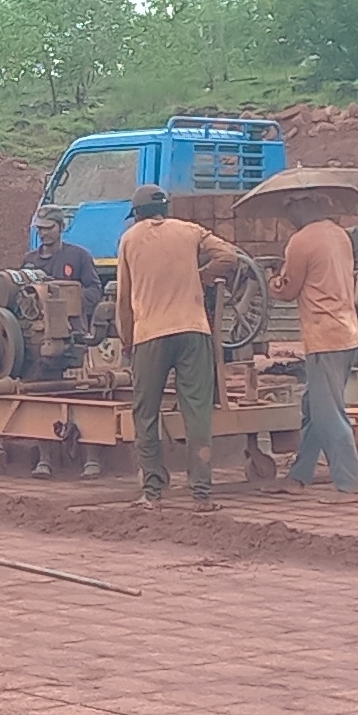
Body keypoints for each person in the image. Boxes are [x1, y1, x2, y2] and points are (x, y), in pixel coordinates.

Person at [113, 186, 240, 503]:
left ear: (137, 214)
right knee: (197, 413)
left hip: (150, 335)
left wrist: (127, 340)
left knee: (146, 413)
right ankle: (201, 494)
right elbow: (229, 256)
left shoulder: (129, 240)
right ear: (165, 210)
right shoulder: (190, 231)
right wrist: (201, 276)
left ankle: (153, 492)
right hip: (194, 332)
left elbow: (124, 300)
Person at [272, 202, 358, 493]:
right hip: (348, 332)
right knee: (313, 407)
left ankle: (351, 484)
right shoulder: (340, 235)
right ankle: (299, 476)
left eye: (290, 213)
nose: (288, 218)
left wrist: (271, 279)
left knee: (329, 415)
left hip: (324, 337)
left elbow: (288, 290)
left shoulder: (301, 241)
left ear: (301, 212)